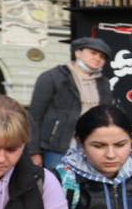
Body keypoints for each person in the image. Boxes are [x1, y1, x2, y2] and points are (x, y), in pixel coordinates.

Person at [29, 36, 113, 169]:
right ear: (78, 53)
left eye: (102, 57)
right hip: (57, 148)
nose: (98, 58)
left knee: (87, 188)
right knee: (56, 186)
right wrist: (33, 151)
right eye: (93, 53)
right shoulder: (53, 77)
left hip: (91, 148)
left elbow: (107, 115)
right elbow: (33, 118)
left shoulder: (103, 83)